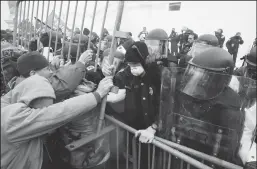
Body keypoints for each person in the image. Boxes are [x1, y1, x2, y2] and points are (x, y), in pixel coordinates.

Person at [1, 51, 114, 169]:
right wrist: (97, 94)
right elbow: (58, 112)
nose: (47, 108)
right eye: (44, 104)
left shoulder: (12, 97)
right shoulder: (12, 121)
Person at [157, 48, 246, 169]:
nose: (200, 80)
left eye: (206, 76)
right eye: (196, 73)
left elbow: (227, 148)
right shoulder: (194, 93)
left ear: (222, 77)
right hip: (184, 156)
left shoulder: (230, 105)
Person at [102, 41, 162, 169]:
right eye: (129, 65)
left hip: (153, 131)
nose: (132, 68)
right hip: (136, 129)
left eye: (135, 64)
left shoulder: (158, 77)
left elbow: (165, 106)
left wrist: (154, 127)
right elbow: (116, 86)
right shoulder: (128, 74)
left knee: (152, 161)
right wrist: (109, 75)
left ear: (144, 61)